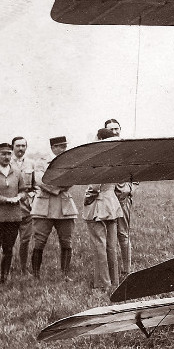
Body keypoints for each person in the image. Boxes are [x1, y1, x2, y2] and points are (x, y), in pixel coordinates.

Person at [82, 128, 124, 291]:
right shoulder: (115, 157)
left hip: (98, 204)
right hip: (111, 202)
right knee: (111, 246)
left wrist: (87, 198)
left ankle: (102, 283)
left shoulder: (98, 157)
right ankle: (114, 281)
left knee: (99, 244)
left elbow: (94, 186)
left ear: (99, 138)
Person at [0, 142, 29, 283]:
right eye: (3, 153)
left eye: (9, 153)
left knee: (9, 248)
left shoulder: (17, 172)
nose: (7, 156)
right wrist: (6, 200)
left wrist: (19, 197)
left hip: (14, 217)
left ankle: (4, 278)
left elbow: (23, 190)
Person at [30, 136, 78, 278]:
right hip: (44, 206)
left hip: (65, 205)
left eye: (65, 146)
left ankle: (65, 274)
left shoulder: (70, 162)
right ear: (53, 147)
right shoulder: (41, 162)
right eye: (61, 146)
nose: (64, 149)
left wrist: (59, 185)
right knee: (39, 241)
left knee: (66, 241)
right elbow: (40, 180)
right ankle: (36, 275)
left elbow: (72, 180)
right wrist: (57, 189)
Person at [105, 121, 135, 280]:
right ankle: (109, 270)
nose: (114, 132)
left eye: (116, 129)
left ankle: (126, 269)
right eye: (111, 130)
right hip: (105, 199)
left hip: (122, 199)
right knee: (106, 236)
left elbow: (137, 173)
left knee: (123, 234)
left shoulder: (127, 151)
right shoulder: (101, 151)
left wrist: (129, 189)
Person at [10, 136, 36, 273]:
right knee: (9, 241)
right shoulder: (6, 162)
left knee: (25, 240)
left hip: (27, 207)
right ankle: (7, 268)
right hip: (10, 207)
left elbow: (35, 185)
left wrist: (31, 198)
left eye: (23, 146)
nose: (20, 149)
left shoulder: (31, 164)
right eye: (18, 146)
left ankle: (23, 268)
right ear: (12, 147)